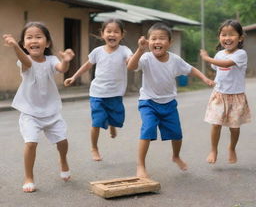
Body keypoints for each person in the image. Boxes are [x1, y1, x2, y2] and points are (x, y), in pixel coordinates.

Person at [127, 22, 214, 178]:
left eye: (161, 38)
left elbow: (190, 69)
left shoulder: (175, 60)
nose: (157, 42)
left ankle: (176, 156)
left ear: (170, 42)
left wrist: (204, 78)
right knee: (148, 129)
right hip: (148, 102)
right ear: (148, 42)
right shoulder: (146, 57)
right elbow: (131, 67)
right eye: (153, 38)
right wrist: (140, 50)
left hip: (169, 104)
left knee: (176, 135)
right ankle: (140, 165)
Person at [2, 22, 75, 193]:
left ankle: (63, 160)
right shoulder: (24, 62)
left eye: (38, 37)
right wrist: (14, 46)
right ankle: (29, 177)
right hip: (30, 112)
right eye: (29, 37)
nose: (33, 40)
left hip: (51, 111)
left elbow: (61, 69)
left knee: (63, 141)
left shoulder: (51, 60)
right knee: (31, 143)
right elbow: (25, 60)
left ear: (47, 42)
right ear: (24, 44)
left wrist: (65, 60)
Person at [64, 18, 133, 161]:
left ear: (122, 35)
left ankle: (111, 124)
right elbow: (87, 65)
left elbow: (130, 60)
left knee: (116, 119)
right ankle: (94, 148)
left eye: (116, 32)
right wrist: (74, 77)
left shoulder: (125, 51)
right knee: (97, 121)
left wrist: (133, 58)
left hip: (115, 93)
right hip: (98, 93)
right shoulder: (97, 51)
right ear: (102, 34)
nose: (112, 34)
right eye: (108, 31)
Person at [200, 19, 251, 164]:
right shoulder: (219, 54)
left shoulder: (241, 54)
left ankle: (232, 148)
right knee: (216, 124)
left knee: (234, 127)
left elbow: (226, 64)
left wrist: (206, 58)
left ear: (240, 38)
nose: (227, 38)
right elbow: (217, 70)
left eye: (231, 35)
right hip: (219, 95)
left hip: (236, 97)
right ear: (219, 37)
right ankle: (213, 149)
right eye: (223, 34)